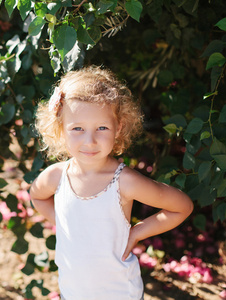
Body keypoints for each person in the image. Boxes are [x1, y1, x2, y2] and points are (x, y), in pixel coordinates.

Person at [29, 66, 194, 299]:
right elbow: (36, 195)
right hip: (72, 292)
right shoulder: (56, 176)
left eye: (102, 128)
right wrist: (66, 223)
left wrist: (137, 232)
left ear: (119, 128)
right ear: (60, 130)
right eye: (77, 128)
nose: (90, 140)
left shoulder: (124, 182)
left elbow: (182, 206)